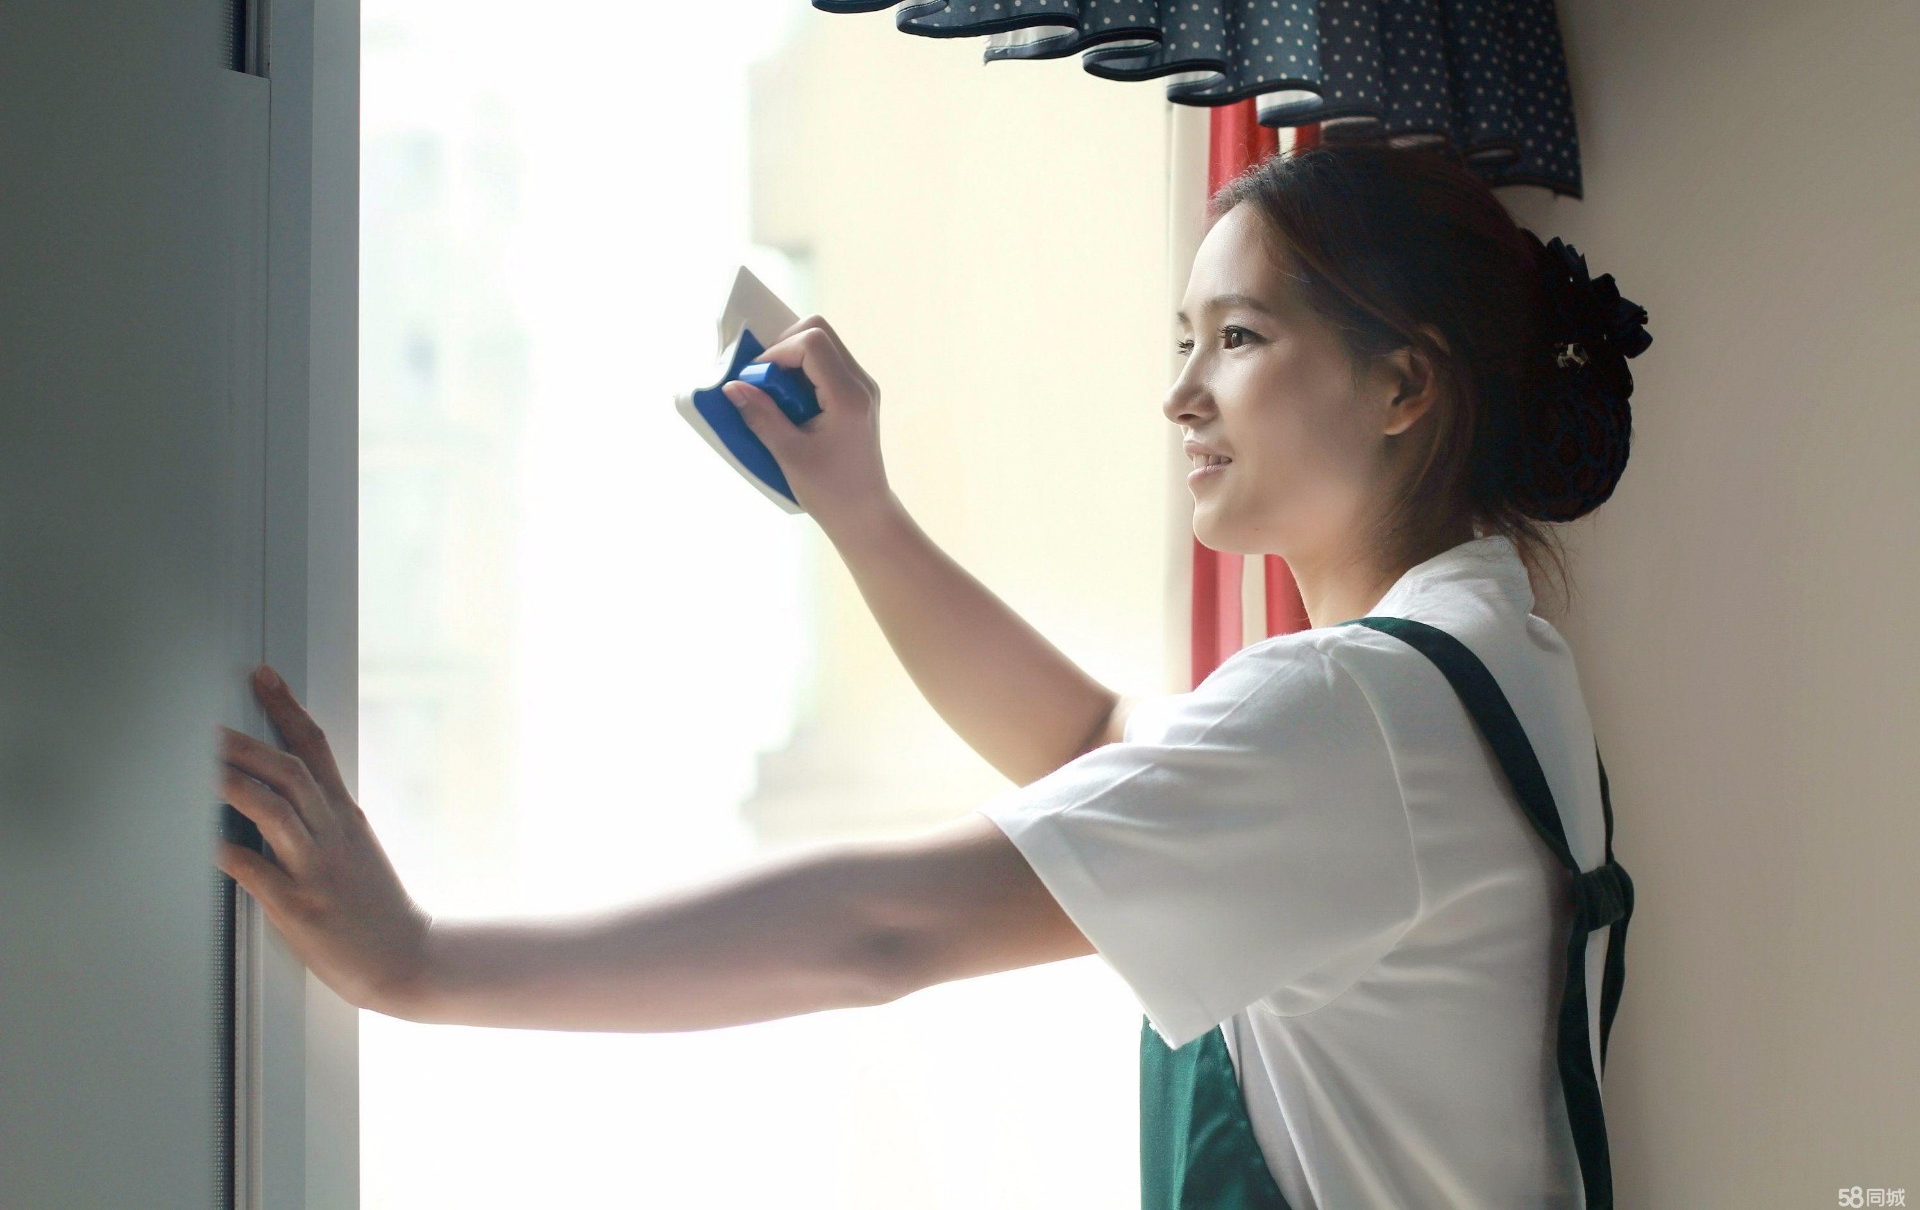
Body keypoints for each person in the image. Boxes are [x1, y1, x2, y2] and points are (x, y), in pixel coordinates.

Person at [214, 138, 1648, 1209]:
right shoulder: (1485, 658)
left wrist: (417, 964)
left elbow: (878, 933)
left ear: (1403, 386)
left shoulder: (1356, 711)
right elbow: (1095, 740)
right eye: (1184, 342)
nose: (1180, 395)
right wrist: (860, 507)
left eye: (1238, 338)